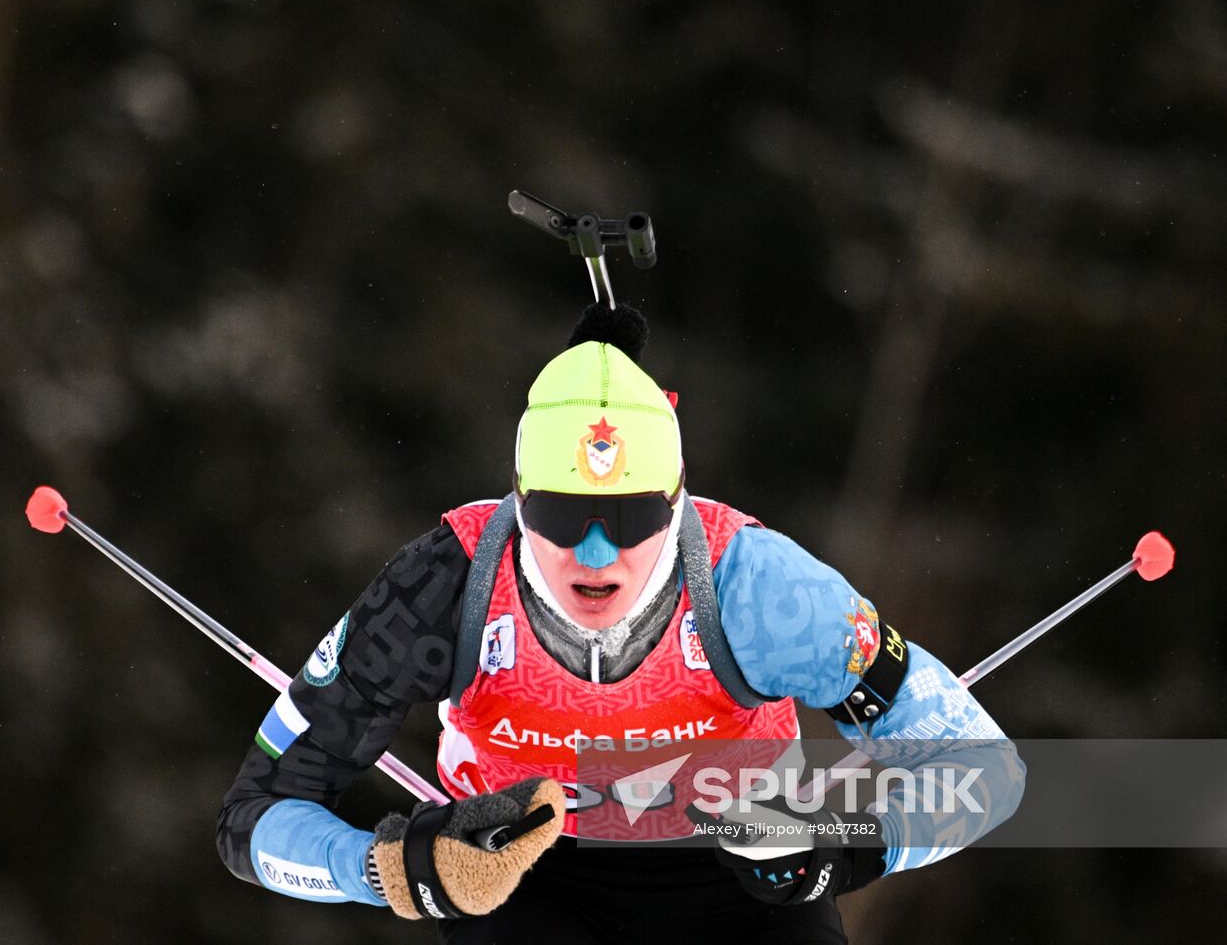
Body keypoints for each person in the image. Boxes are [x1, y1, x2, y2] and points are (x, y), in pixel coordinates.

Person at [216, 303, 1025, 944]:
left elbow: (988, 770)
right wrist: (393, 866)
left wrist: (842, 844)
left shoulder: (760, 589)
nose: (596, 553)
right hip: (528, 883)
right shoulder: (443, 585)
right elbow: (250, 824)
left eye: (632, 517)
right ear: (520, 498)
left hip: (743, 880)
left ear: (678, 503)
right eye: (564, 515)